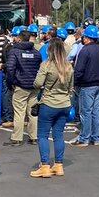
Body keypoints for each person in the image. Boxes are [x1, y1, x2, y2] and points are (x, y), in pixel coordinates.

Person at [31, 38, 73, 178]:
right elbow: (71, 87)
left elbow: (38, 83)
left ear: (50, 50)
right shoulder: (68, 66)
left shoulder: (46, 65)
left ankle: (45, 166)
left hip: (49, 103)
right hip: (64, 104)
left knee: (43, 135)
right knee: (58, 135)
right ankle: (59, 165)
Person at [71, 25, 99, 147]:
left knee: (86, 112)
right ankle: (95, 137)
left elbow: (79, 70)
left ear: (86, 38)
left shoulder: (85, 50)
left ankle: (84, 138)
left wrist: (75, 83)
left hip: (87, 85)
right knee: (96, 112)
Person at [4, 27, 40, 146]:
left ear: (19, 39)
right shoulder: (36, 52)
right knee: (32, 112)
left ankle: (17, 138)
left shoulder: (14, 51)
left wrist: (10, 83)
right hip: (33, 85)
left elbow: (10, 68)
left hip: (20, 85)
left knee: (19, 112)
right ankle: (34, 137)